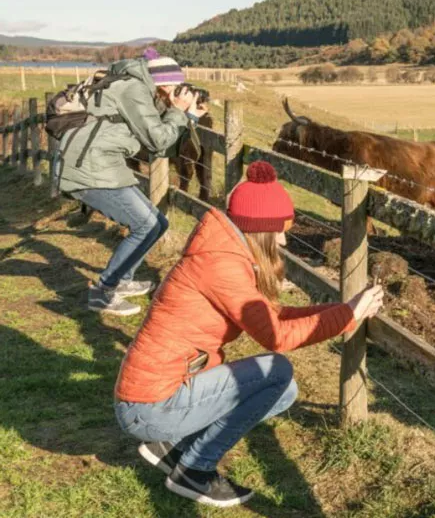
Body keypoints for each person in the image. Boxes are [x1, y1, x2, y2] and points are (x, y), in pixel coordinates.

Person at [113, 161, 385, 507]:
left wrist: (341, 310)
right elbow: (277, 337)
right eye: (279, 230)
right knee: (277, 370)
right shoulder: (221, 266)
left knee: (284, 391)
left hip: (161, 393)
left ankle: (173, 446)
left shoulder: (224, 252)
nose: (284, 239)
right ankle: (194, 470)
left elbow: (274, 316)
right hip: (149, 406)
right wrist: (350, 314)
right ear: (259, 229)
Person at [58, 48, 205, 316]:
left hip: (104, 165)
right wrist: (178, 111)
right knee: (145, 225)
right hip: (90, 169)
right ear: (164, 83)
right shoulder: (132, 89)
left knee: (158, 223)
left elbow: (161, 146)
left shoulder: (137, 90)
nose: (179, 90)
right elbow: (158, 140)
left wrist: (188, 117)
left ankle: (123, 281)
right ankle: (103, 292)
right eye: (176, 85)